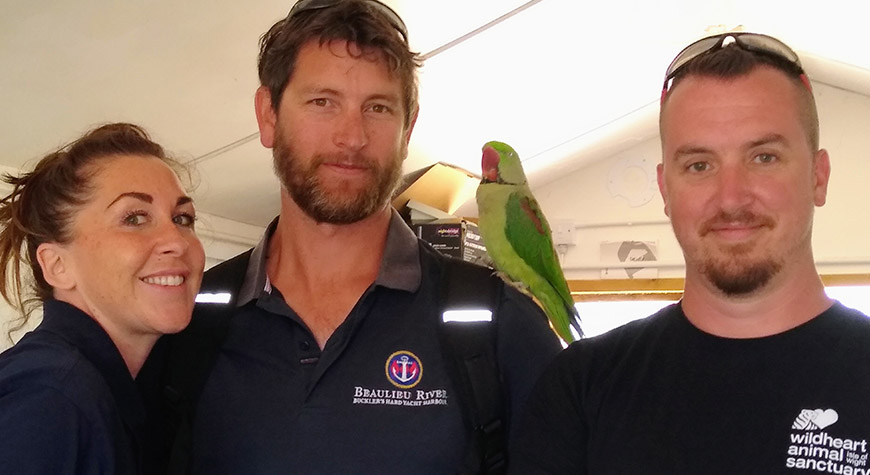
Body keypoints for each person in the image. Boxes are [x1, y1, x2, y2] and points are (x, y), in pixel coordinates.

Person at [152, 1, 562, 474]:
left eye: (378, 107)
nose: (352, 137)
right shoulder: (187, 321)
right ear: (268, 115)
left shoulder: (496, 327)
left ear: (408, 128)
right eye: (322, 102)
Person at [509, 33, 870, 474]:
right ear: (666, 189)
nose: (731, 198)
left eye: (764, 157)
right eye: (699, 165)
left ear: (818, 176)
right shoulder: (582, 388)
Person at [0, 123, 205, 474]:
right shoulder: (50, 399)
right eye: (135, 218)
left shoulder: (116, 391)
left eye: (182, 218)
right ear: (58, 265)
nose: (177, 240)